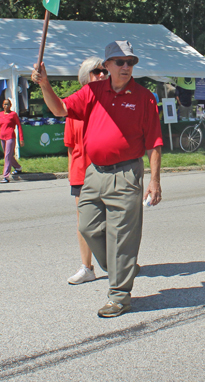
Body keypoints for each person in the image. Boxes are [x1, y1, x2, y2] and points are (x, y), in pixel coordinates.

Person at [32, 40, 163, 317]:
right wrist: (45, 85)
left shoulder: (144, 97)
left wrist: (154, 180)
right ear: (107, 66)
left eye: (130, 62)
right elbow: (59, 110)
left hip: (127, 172)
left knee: (122, 237)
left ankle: (119, 296)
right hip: (94, 171)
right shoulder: (92, 91)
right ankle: (120, 267)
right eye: (120, 62)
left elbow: (154, 141)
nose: (126, 67)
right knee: (89, 227)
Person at [65, 58, 108, 285]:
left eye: (104, 71)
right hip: (82, 172)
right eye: (96, 72)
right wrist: (74, 176)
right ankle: (87, 267)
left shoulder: (109, 104)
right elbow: (71, 148)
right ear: (85, 77)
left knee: (112, 220)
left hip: (106, 170)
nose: (102, 75)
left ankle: (117, 263)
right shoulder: (74, 106)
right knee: (84, 223)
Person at [0, 98, 24, 183]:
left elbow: (19, 126)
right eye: (4, 104)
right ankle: (18, 167)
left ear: (10, 105)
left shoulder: (13, 114)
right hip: (2, 137)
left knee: (7, 156)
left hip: (10, 137)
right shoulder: (1, 114)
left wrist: (21, 139)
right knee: (8, 155)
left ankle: (6, 176)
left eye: (7, 104)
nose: (5, 106)